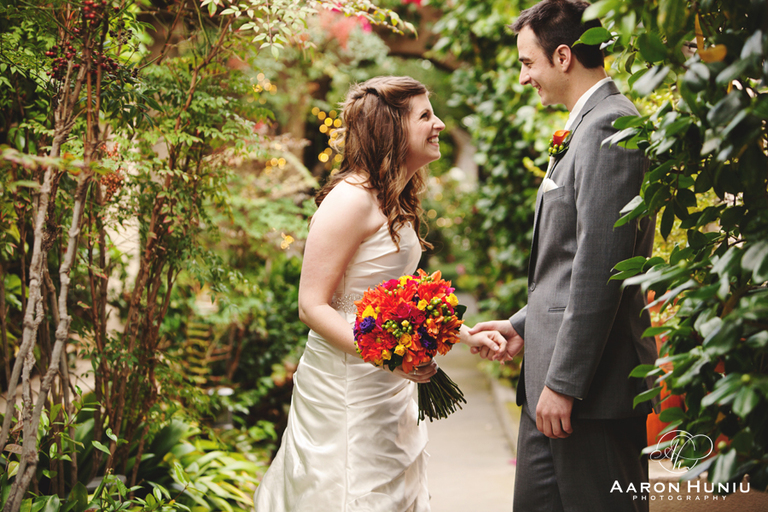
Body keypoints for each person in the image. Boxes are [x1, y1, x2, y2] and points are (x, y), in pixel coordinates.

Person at [253, 76, 505, 512]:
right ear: (391, 129)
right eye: (425, 115)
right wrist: (392, 357)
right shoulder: (349, 200)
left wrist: (464, 334)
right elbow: (311, 306)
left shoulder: (394, 196)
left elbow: (399, 294)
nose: (439, 123)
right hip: (346, 385)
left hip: (388, 386)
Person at [470, 1, 657, 511]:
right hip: (547, 385)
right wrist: (522, 326)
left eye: (527, 63)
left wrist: (565, 383)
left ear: (564, 56)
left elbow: (601, 270)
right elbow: (569, 266)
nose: (524, 77)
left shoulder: (608, 127)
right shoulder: (584, 126)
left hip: (585, 395)